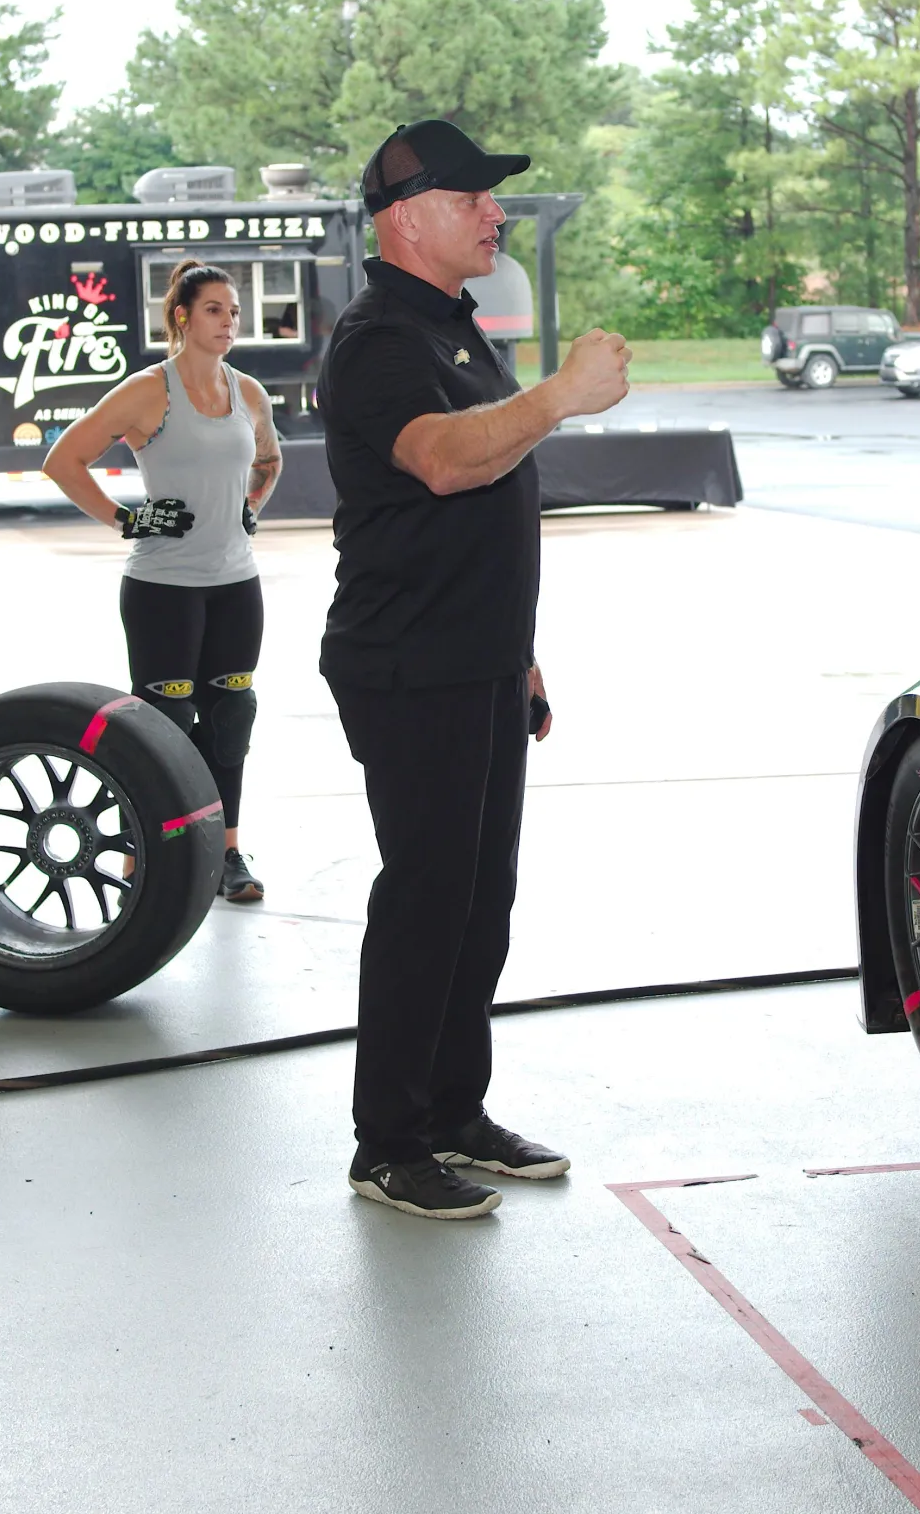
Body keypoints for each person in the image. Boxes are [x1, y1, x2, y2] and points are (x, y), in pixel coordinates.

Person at [317, 119, 631, 1219]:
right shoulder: (377, 340)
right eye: (474, 196)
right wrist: (561, 395)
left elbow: (490, 490)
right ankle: (388, 1144)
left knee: (480, 898)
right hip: (410, 666)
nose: (496, 212)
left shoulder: (451, 327)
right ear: (409, 217)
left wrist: (521, 653)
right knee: (427, 899)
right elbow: (447, 463)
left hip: (481, 660)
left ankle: (454, 1110)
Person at [42, 258, 282, 902]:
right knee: (163, 722)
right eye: (214, 310)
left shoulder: (248, 393)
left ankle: (227, 854)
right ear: (182, 316)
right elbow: (63, 460)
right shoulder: (149, 392)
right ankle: (139, 851)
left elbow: (268, 459)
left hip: (236, 583)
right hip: (162, 587)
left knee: (231, 717)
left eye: (234, 311)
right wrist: (126, 518)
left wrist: (250, 506)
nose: (229, 321)